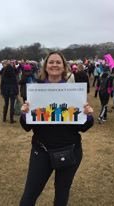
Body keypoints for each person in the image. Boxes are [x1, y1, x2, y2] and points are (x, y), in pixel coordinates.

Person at [19, 51, 94, 206]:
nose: (54, 65)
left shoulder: (73, 92)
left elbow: (83, 126)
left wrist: (88, 115)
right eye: (51, 62)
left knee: (61, 195)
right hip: (42, 151)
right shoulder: (36, 90)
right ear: (45, 66)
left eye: (58, 62)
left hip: (70, 150)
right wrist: (25, 113)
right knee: (29, 196)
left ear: (64, 66)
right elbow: (27, 126)